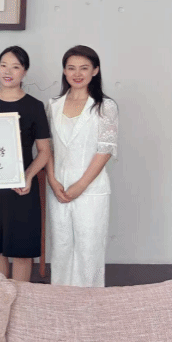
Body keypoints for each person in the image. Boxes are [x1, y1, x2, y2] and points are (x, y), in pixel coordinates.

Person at [0, 46, 51, 283]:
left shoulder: (34, 106)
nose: (8, 71)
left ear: (24, 72)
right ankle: (0, 298)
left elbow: (45, 151)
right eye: (4, 65)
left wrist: (28, 176)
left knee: (22, 251)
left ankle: (21, 300)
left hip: (22, 187)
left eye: (15, 67)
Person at [46, 45, 118, 287]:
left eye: (84, 68)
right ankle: (61, 300)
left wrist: (81, 185)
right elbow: (48, 148)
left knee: (89, 248)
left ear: (95, 70)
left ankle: (89, 303)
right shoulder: (53, 105)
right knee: (61, 247)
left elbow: (105, 149)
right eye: (71, 68)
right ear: (64, 71)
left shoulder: (104, 106)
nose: (77, 74)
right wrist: (52, 180)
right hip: (58, 186)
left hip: (91, 187)